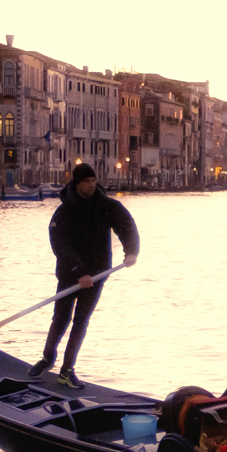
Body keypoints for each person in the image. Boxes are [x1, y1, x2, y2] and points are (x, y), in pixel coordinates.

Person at [32, 161, 139, 390]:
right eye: (87, 182)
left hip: (98, 274)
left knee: (81, 321)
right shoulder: (64, 212)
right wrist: (78, 272)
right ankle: (47, 358)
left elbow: (126, 226)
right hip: (70, 275)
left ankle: (67, 369)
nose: (91, 185)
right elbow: (59, 244)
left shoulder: (106, 206)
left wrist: (131, 251)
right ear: (77, 183)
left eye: (93, 181)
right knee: (60, 318)